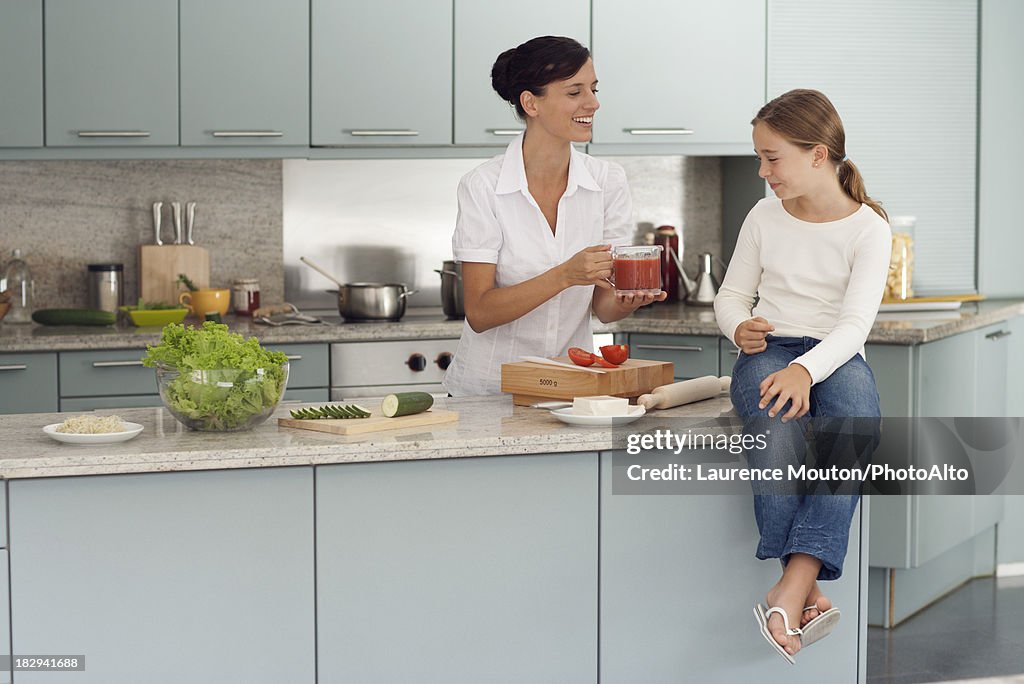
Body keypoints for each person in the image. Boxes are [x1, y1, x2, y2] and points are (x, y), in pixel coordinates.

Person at [713, 89, 890, 662]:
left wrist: (804, 370)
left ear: (818, 155)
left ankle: (790, 586)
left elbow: (855, 324)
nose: (763, 172)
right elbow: (733, 296)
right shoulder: (764, 215)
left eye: (772, 158)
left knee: (858, 424)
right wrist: (738, 327)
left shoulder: (869, 228)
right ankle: (800, 588)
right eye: (760, 158)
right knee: (777, 429)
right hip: (770, 348)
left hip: (834, 353)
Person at [442, 36, 664, 397]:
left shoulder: (607, 181)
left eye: (593, 89)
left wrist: (631, 298)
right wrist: (565, 275)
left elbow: (604, 309)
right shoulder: (482, 186)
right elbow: (479, 312)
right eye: (574, 92)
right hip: (486, 391)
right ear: (531, 103)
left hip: (568, 390)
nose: (593, 103)